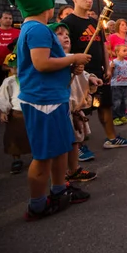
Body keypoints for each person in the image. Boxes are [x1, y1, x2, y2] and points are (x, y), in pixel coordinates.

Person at [2, 0, 92, 220]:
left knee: (61, 148)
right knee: (43, 156)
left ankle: (59, 189)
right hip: (44, 103)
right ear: (46, 6)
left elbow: (48, 64)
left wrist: (69, 68)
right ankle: (38, 205)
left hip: (54, 98)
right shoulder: (38, 29)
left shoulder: (34, 28)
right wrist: (73, 58)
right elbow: (41, 64)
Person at [61, 0, 127, 149]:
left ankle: (112, 138)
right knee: (79, 110)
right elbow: (64, 48)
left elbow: (103, 46)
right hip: (79, 73)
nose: (89, 0)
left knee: (104, 105)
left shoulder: (97, 23)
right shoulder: (69, 23)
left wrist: (107, 67)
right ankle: (78, 147)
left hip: (98, 72)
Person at [49, 22, 98, 185]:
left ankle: (74, 168)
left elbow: (82, 74)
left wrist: (91, 77)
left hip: (75, 109)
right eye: (60, 34)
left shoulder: (74, 58)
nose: (65, 37)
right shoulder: (54, 61)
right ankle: (60, 177)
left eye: (67, 35)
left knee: (75, 141)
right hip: (61, 109)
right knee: (63, 143)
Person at [0, 51, 31, 174]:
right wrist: (3, 111)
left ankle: (36, 156)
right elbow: (2, 97)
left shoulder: (31, 78)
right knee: (14, 137)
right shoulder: (9, 81)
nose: (15, 69)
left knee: (33, 135)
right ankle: (16, 159)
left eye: (17, 66)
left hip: (32, 112)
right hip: (16, 113)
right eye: (12, 67)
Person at [0, 11, 20, 90]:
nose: (8, 20)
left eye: (10, 18)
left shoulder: (19, 32)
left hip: (13, 66)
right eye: (5, 18)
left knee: (13, 87)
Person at [110, 44, 127, 126]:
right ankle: (115, 117)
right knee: (117, 101)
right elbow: (110, 74)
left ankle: (122, 115)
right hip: (116, 84)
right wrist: (111, 67)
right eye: (124, 51)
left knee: (124, 101)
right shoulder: (113, 62)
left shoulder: (126, 62)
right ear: (117, 52)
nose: (126, 52)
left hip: (125, 84)